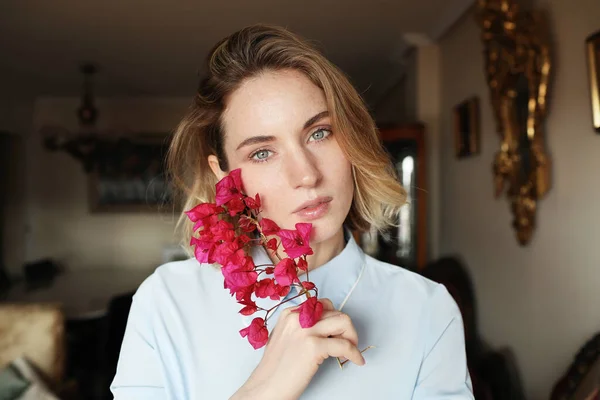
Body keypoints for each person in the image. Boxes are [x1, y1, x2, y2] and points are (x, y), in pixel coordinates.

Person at [110, 24, 474, 399]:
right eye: (262, 152)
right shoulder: (166, 301)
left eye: (320, 133)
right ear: (225, 175)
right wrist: (266, 388)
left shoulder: (428, 309)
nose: (306, 174)